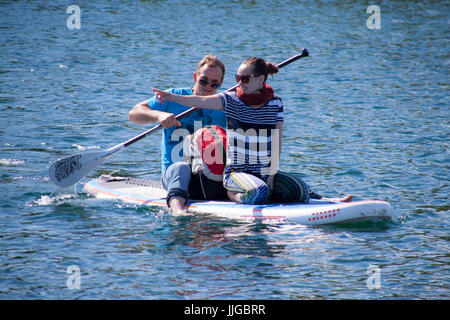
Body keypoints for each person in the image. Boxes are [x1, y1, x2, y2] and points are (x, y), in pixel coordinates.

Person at [153, 56, 353, 205]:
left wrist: (272, 175)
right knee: (260, 193)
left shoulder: (275, 103)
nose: (239, 83)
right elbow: (199, 101)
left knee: (298, 190)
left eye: (245, 79)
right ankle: (232, 195)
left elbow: (277, 141)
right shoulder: (230, 100)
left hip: (262, 171)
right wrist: (170, 98)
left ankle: (327, 201)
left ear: (261, 79)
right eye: (238, 77)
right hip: (236, 172)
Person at [129, 55, 227, 214]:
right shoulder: (172, 97)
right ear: (195, 77)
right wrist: (158, 116)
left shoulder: (222, 104)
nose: (208, 87)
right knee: (182, 168)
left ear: (220, 84)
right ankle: (178, 213)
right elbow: (134, 114)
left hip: (207, 177)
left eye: (215, 84)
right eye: (203, 81)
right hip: (175, 174)